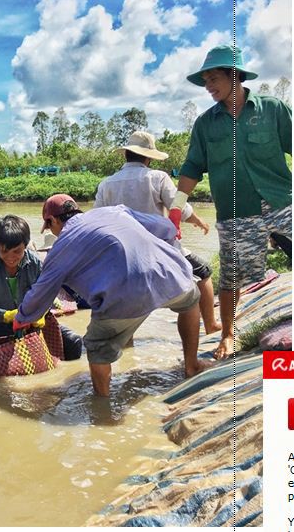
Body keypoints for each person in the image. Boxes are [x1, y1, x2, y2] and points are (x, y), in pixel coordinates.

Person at [16, 194, 211, 397]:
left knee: (97, 347)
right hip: (170, 276)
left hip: (123, 298)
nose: (53, 233)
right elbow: (166, 228)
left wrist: (21, 318)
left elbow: (41, 294)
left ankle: (103, 407)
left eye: (50, 228)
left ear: (53, 220)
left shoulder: (60, 248)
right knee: (190, 300)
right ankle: (192, 366)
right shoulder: (114, 211)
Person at [170, 45, 292, 359]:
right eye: (205, 80)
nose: (208, 86)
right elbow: (191, 168)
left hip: (281, 200)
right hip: (237, 211)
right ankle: (227, 334)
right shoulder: (206, 124)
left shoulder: (272, 109)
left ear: (234, 75)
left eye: (214, 78)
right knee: (231, 275)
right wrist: (174, 210)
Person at [94, 130, 221, 334]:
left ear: (127, 154)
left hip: (124, 257)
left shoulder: (106, 184)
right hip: (160, 251)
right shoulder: (158, 178)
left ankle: (128, 350)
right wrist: (199, 221)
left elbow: (97, 221)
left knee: (126, 310)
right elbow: (179, 207)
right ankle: (211, 324)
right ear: (148, 158)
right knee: (204, 272)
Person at [0, 214, 82, 358]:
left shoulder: (35, 263)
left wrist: (40, 314)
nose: (11, 257)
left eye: (17, 251)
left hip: (29, 325)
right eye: (4, 251)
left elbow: (45, 296)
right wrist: (6, 316)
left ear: (26, 245)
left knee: (74, 343)